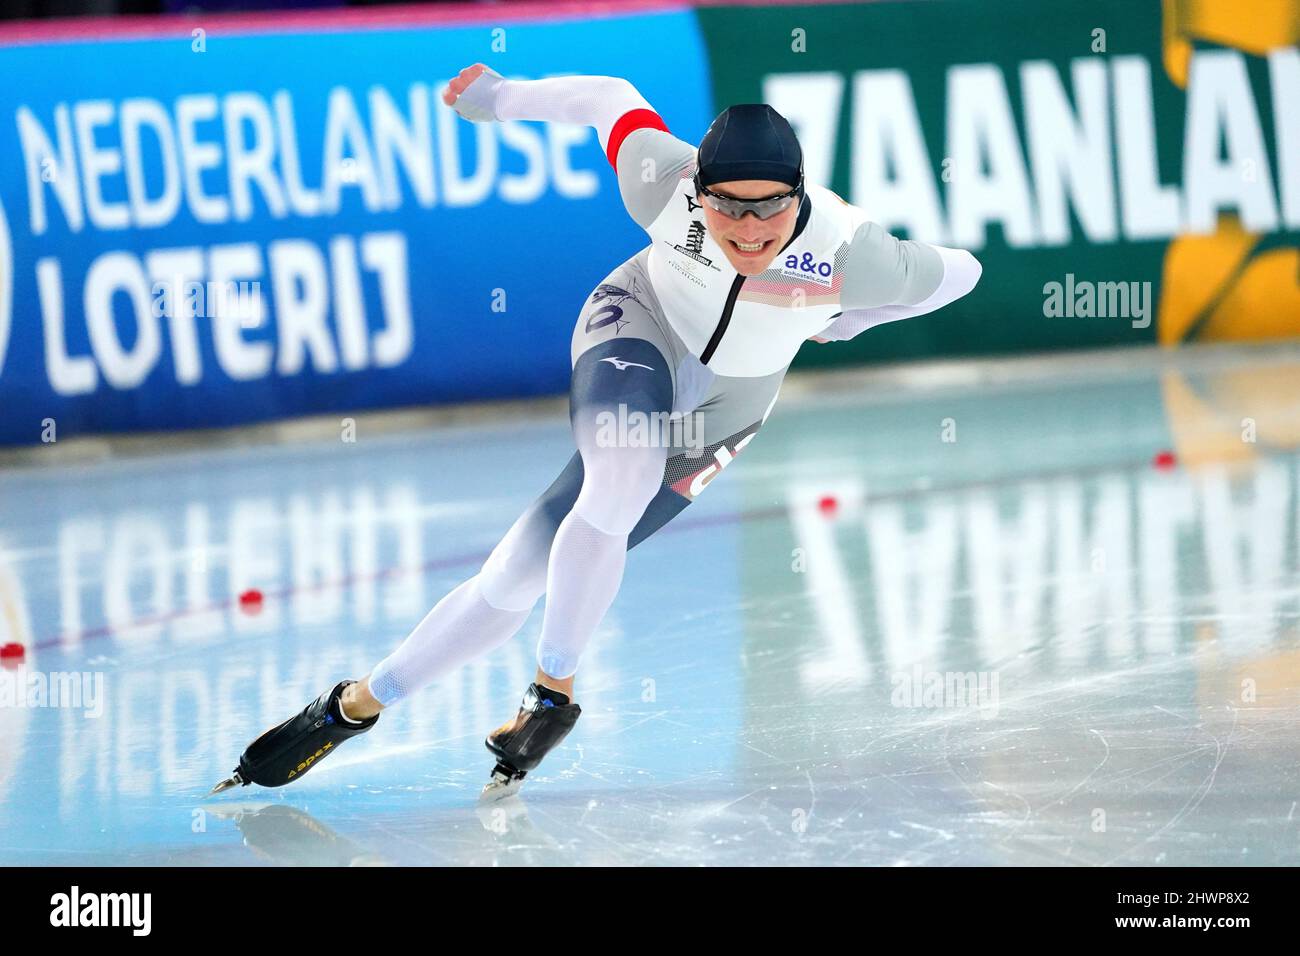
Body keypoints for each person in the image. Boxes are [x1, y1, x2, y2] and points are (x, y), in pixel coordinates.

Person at [211, 64, 982, 800]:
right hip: (636, 323)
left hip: (729, 407)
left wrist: (849, 318)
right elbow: (608, 98)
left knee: (514, 578)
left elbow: (963, 274)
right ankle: (555, 691)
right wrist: (502, 97)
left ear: (801, 195)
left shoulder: (852, 253)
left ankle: (354, 705)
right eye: (728, 206)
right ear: (697, 191)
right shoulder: (662, 181)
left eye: (770, 206)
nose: (749, 229)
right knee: (619, 473)